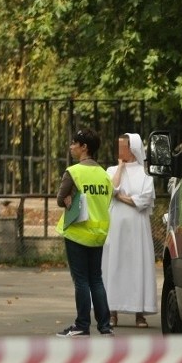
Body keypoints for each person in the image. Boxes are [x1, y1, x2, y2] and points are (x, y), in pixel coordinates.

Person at [56, 128, 114, 337]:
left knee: (81, 280)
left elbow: (60, 198)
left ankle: (81, 325)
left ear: (84, 147)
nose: (71, 147)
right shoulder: (104, 175)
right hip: (98, 233)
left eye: (74, 143)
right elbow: (107, 200)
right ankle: (105, 326)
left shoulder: (74, 172)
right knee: (96, 279)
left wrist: (69, 199)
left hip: (78, 233)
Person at [102, 133, 158, 328]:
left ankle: (139, 314)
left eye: (122, 147)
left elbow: (143, 201)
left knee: (137, 265)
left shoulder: (144, 175)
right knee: (114, 265)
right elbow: (112, 188)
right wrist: (120, 167)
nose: (120, 151)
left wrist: (123, 198)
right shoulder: (111, 170)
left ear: (132, 149)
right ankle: (112, 312)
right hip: (116, 226)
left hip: (137, 228)